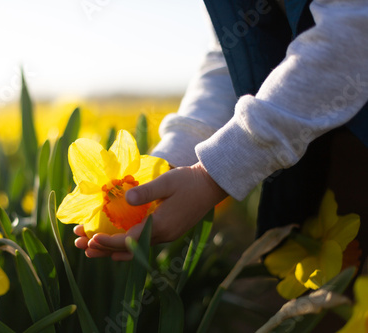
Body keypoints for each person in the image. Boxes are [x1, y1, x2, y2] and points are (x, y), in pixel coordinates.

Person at [73, 0, 368, 263]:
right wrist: (173, 160)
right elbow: (233, 58)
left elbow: (351, 36)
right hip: (321, 151)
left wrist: (210, 177)